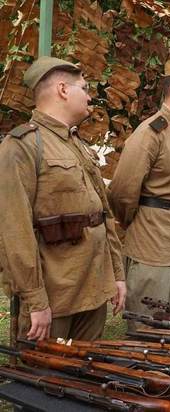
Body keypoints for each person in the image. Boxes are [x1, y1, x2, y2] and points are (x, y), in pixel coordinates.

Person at [0, 56, 126, 341]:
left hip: (92, 288)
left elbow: (102, 214)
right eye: (84, 88)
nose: (90, 96)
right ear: (62, 90)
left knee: (85, 373)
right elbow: (14, 231)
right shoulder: (23, 146)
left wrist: (116, 275)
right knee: (42, 378)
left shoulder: (76, 144)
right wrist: (35, 300)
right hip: (55, 296)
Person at [108, 57, 170, 330]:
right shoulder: (151, 132)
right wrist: (138, 224)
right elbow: (121, 191)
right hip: (151, 244)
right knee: (148, 326)